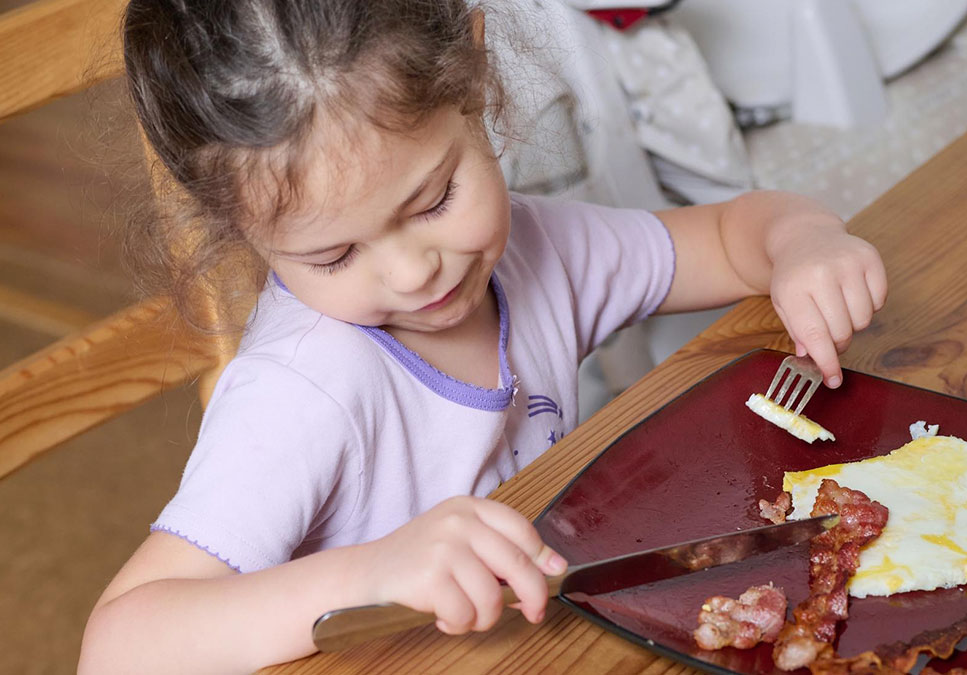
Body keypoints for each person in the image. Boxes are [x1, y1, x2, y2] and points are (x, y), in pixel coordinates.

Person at [79, 1, 887, 672]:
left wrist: (802, 239)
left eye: (432, 200)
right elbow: (120, 644)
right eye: (332, 254)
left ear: (474, 70)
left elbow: (725, 238)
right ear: (238, 226)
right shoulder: (303, 387)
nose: (412, 273)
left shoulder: (538, 250)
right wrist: (371, 570)